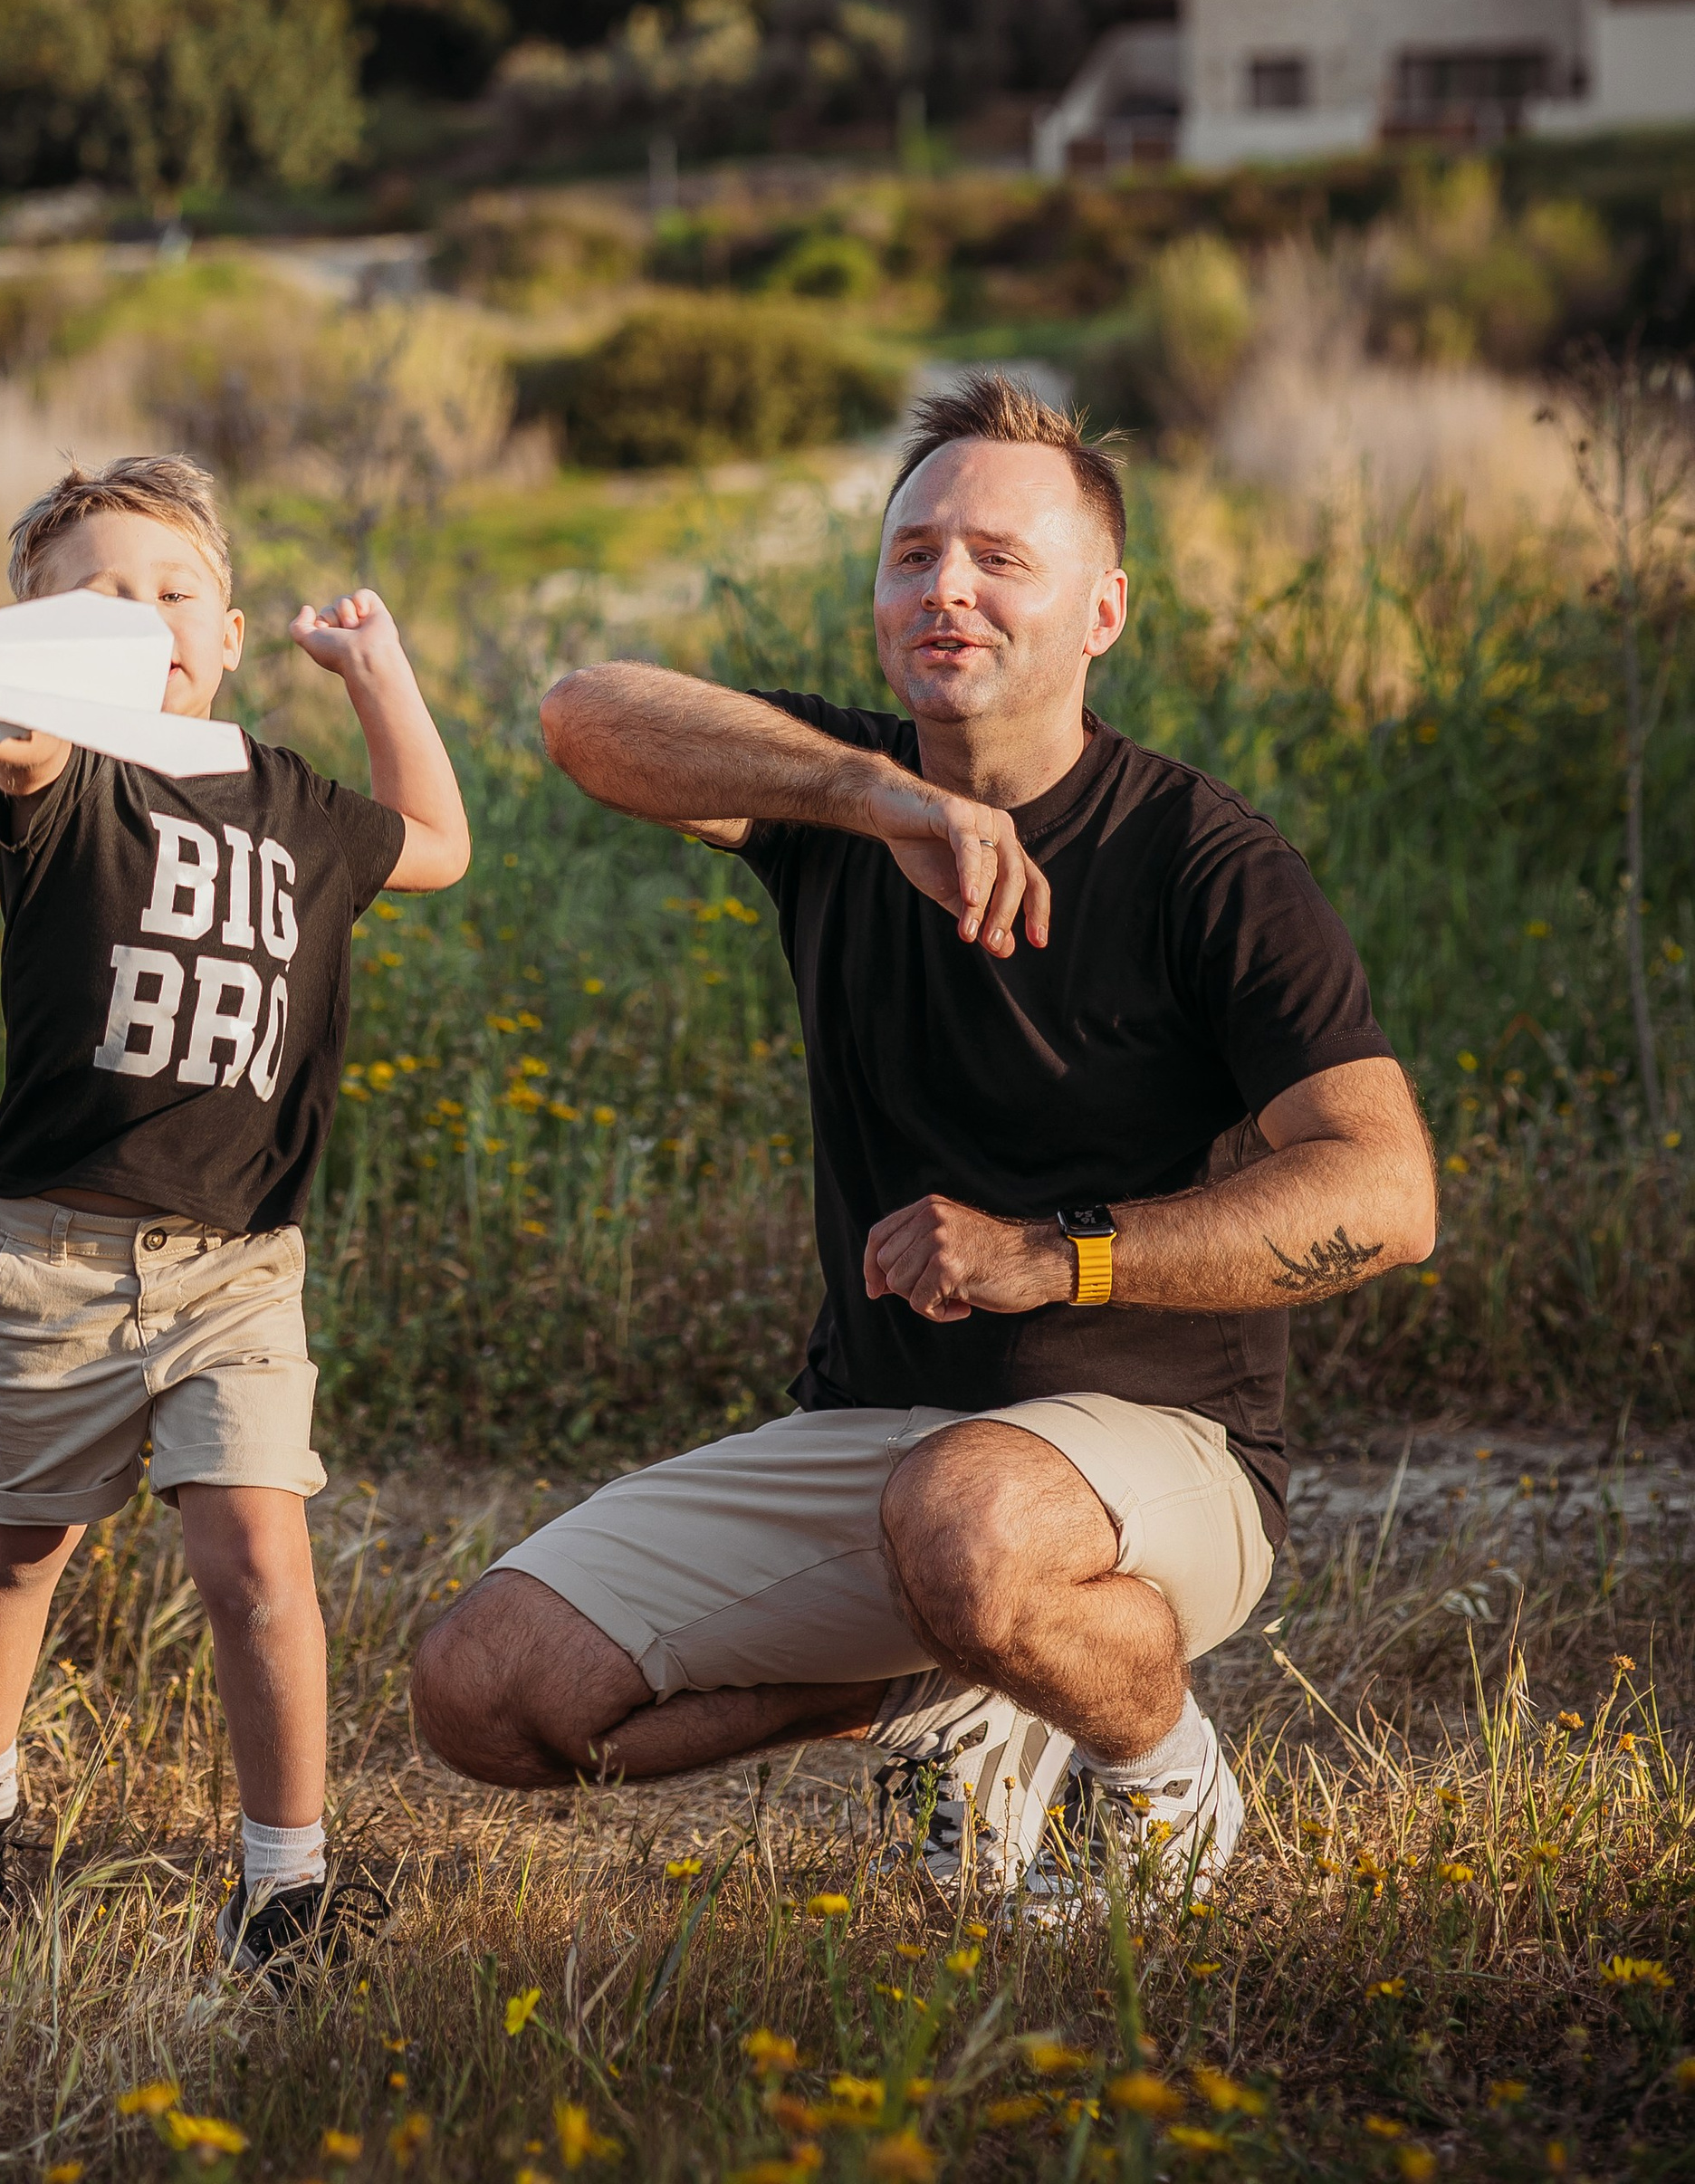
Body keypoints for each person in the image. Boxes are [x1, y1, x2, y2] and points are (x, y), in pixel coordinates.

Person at [411, 373, 1433, 1903]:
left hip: (1159, 1459)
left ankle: (1166, 1787)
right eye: (912, 556)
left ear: (1103, 610)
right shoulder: (842, 796)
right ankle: (942, 1693)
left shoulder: (1206, 866)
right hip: (874, 1439)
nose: (946, 587)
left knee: (967, 1513)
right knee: (485, 1694)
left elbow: (1387, 1192)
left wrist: (1057, 1258)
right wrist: (875, 799)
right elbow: (581, 715)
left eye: (1001, 558)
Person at [0, 453, 470, 1974]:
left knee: (260, 1565)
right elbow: (4, 729)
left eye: (175, 594)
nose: (143, 618)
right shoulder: (61, 780)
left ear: (228, 636)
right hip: (55, 1260)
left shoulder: (296, 806)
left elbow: (439, 846)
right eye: (95, 597)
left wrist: (379, 671)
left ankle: (284, 1889)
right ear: (40, 637)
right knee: (23, 1550)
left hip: (239, 1267)